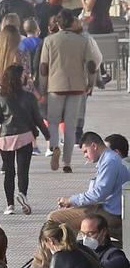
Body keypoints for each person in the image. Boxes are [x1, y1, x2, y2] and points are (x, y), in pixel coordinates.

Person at [0, 63, 49, 216]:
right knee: (23, 171)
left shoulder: (2, 99)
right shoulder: (29, 97)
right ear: (19, 78)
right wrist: (47, 135)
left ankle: (9, 205)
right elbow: (37, 118)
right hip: (25, 137)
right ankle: (22, 196)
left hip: (6, 139)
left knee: (9, 172)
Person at [48, 130, 129, 250]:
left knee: (55, 218)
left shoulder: (110, 161)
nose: (85, 155)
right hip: (109, 208)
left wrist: (71, 200)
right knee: (69, 216)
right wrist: (72, 203)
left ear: (94, 146)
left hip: (111, 213)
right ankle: (72, 253)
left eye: (86, 151)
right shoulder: (109, 159)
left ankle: (52, 262)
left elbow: (98, 194)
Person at [39, 15, 97, 172]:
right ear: (72, 23)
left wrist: (43, 88)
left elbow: (43, 67)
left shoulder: (49, 41)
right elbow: (91, 65)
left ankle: (54, 146)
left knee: (53, 121)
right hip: (77, 87)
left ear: (59, 24)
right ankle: (67, 162)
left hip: (55, 86)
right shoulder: (82, 41)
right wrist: (90, 83)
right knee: (71, 125)